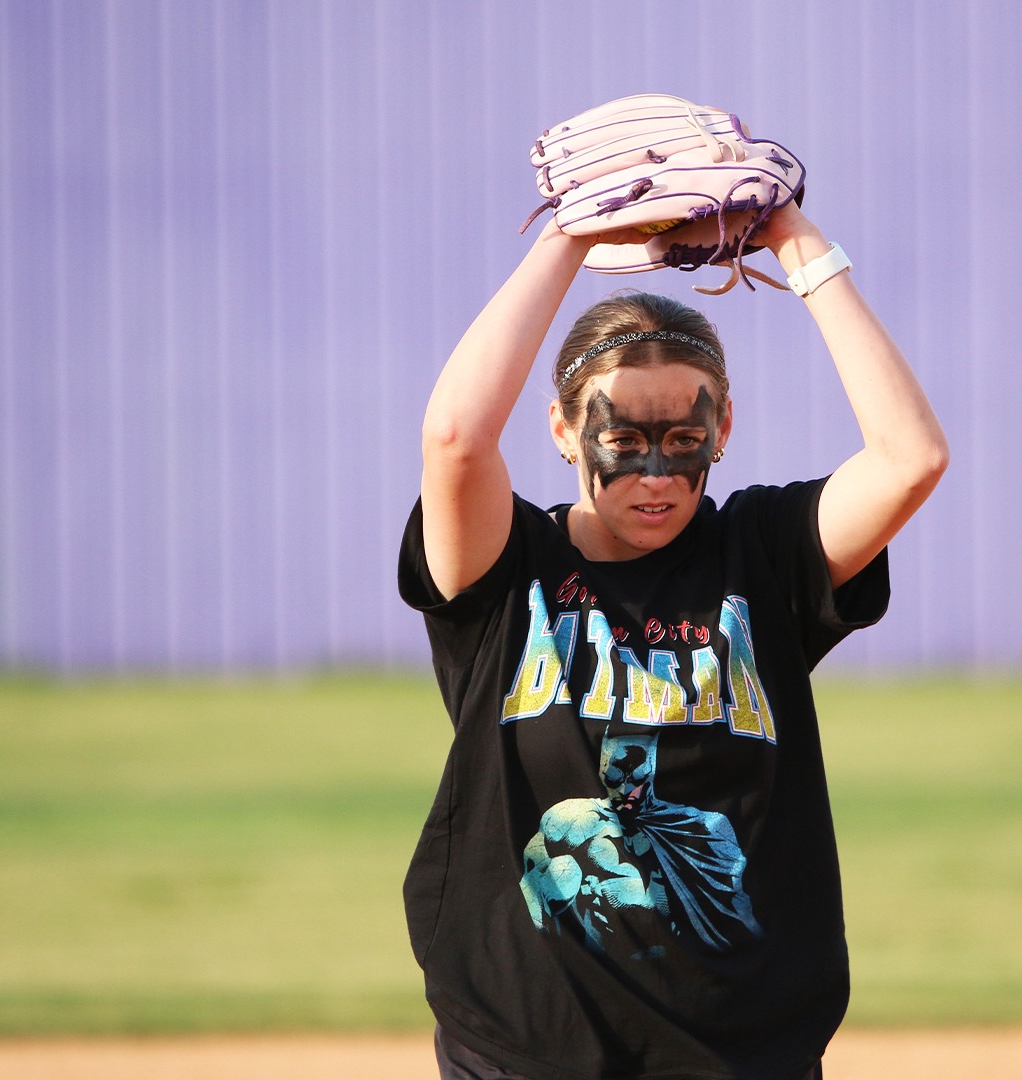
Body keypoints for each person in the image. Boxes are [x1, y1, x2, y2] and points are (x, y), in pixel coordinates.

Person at [398, 200, 948, 1080]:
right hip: (527, 1047)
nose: (656, 475)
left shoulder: (760, 557)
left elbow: (910, 457)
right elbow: (457, 437)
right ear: (563, 429)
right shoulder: (505, 566)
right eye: (623, 439)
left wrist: (790, 240)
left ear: (724, 431)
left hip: (740, 1047)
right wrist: (568, 238)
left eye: (685, 439)